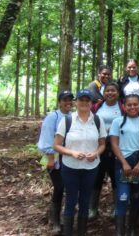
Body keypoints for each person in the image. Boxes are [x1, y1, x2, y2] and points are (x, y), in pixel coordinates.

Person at [53, 89, 107, 236]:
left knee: (85, 201)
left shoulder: (97, 120)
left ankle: (82, 232)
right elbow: (56, 145)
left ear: (91, 103)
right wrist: (72, 152)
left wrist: (95, 153)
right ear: (76, 102)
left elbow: (102, 144)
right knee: (70, 200)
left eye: (87, 100)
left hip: (91, 167)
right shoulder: (67, 120)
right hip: (70, 167)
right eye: (81, 100)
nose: (84, 103)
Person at [110, 94, 139, 236]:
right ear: (124, 106)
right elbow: (114, 144)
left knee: (136, 196)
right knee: (123, 196)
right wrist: (124, 163)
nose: (132, 107)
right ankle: (120, 231)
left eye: (135, 104)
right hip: (123, 164)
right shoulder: (117, 122)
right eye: (129, 105)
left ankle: (132, 228)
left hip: (137, 164)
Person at [37, 90, 74, 235]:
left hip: (68, 157)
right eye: (65, 100)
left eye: (70, 100)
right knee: (59, 187)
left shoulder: (72, 117)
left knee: (68, 187)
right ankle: (55, 221)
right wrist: (51, 158)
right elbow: (46, 139)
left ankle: (65, 217)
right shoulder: (53, 117)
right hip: (53, 157)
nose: (68, 103)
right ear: (59, 102)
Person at [89, 82, 125, 220]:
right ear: (103, 93)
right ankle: (92, 208)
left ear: (118, 93)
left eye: (113, 91)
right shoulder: (97, 107)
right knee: (97, 176)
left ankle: (116, 207)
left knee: (116, 176)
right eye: (107, 91)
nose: (110, 93)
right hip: (98, 146)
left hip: (117, 146)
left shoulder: (123, 106)